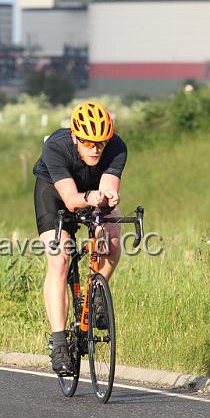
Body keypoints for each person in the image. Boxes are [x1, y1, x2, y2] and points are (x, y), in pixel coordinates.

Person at [32, 100, 127, 375]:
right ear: (75, 137)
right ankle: (59, 341)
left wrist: (108, 198)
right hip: (55, 193)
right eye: (88, 143)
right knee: (60, 259)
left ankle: (97, 292)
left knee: (111, 238)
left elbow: (108, 187)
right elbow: (72, 200)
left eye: (101, 143)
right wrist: (89, 198)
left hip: (92, 191)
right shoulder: (56, 147)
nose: (96, 149)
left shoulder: (117, 147)